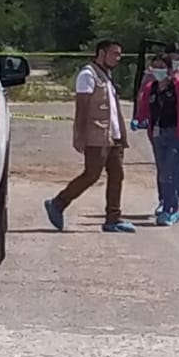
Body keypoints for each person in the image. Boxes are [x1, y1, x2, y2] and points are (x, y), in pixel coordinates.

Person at [44, 39, 136, 233]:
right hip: (97, 136)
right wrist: (79, 135)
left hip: (114, 136)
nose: (118, 58)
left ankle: (113, 218)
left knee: (117, 175)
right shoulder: (88, 75)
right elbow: (82, 108)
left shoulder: (107, 76)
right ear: (101, 53)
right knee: (92, 175)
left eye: (119, 54)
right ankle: (58, 203)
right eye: (114, 53)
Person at [131, 55, 179, 225]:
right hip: (157, 135)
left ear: (169, 70)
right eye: (155, 67)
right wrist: (138, 120)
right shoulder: (150, 88)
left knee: (170, 171)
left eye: (161, 67)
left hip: (177, 134)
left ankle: (172, 208)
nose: (158, 70)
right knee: (163, 172)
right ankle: (169, 204)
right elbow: (144, 108)